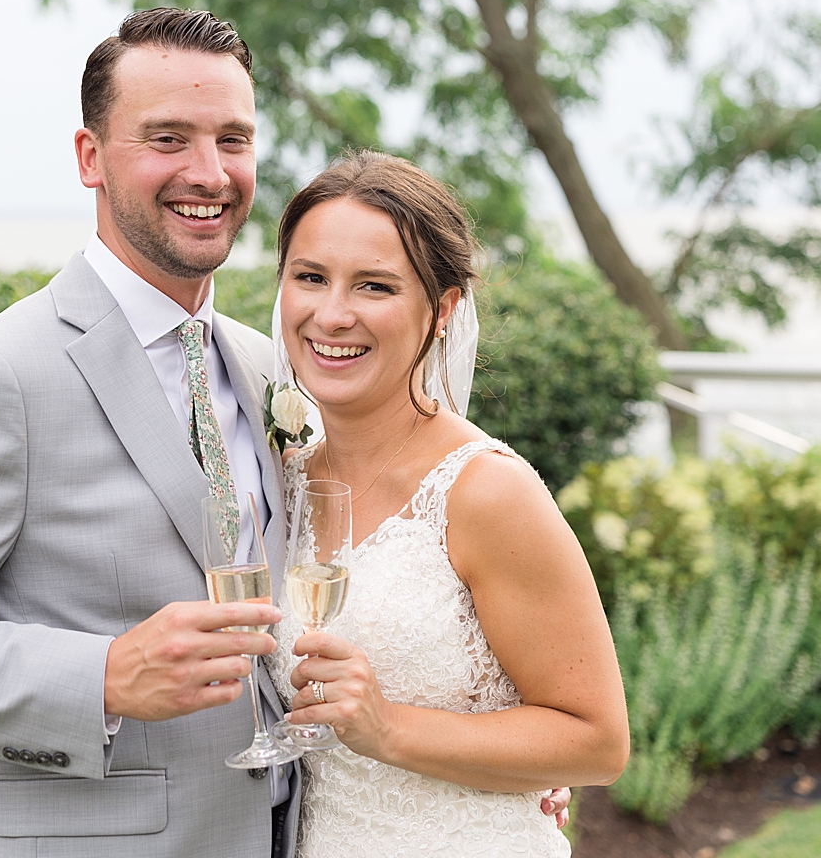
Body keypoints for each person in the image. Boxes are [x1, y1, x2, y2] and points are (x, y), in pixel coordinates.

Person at [0, 8, 569, 858]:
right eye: (168, 138)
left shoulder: (269, 367)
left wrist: (487, 758)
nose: (209, 172)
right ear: (91, 157)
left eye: (232, 140)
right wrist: (101, 679)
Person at [265, 151, 629, 857]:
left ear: (442, 309)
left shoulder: (487, 492)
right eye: (310, 277)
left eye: (374, 286)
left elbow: (597, 743)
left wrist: (388, 727)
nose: (332, 315)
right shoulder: (282, 478)